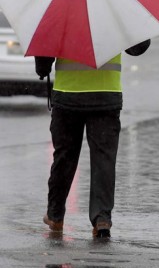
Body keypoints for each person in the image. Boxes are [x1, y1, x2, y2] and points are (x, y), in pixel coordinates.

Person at [35, 39, 151, 239]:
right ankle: (101, 219)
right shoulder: (113, 11)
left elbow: (44, 58)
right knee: (104, 160)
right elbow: (138, 48)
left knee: (64, 158)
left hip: (68, 96)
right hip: (106, 96)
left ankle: (55, 215)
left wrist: (43, 68)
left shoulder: (62, 13)